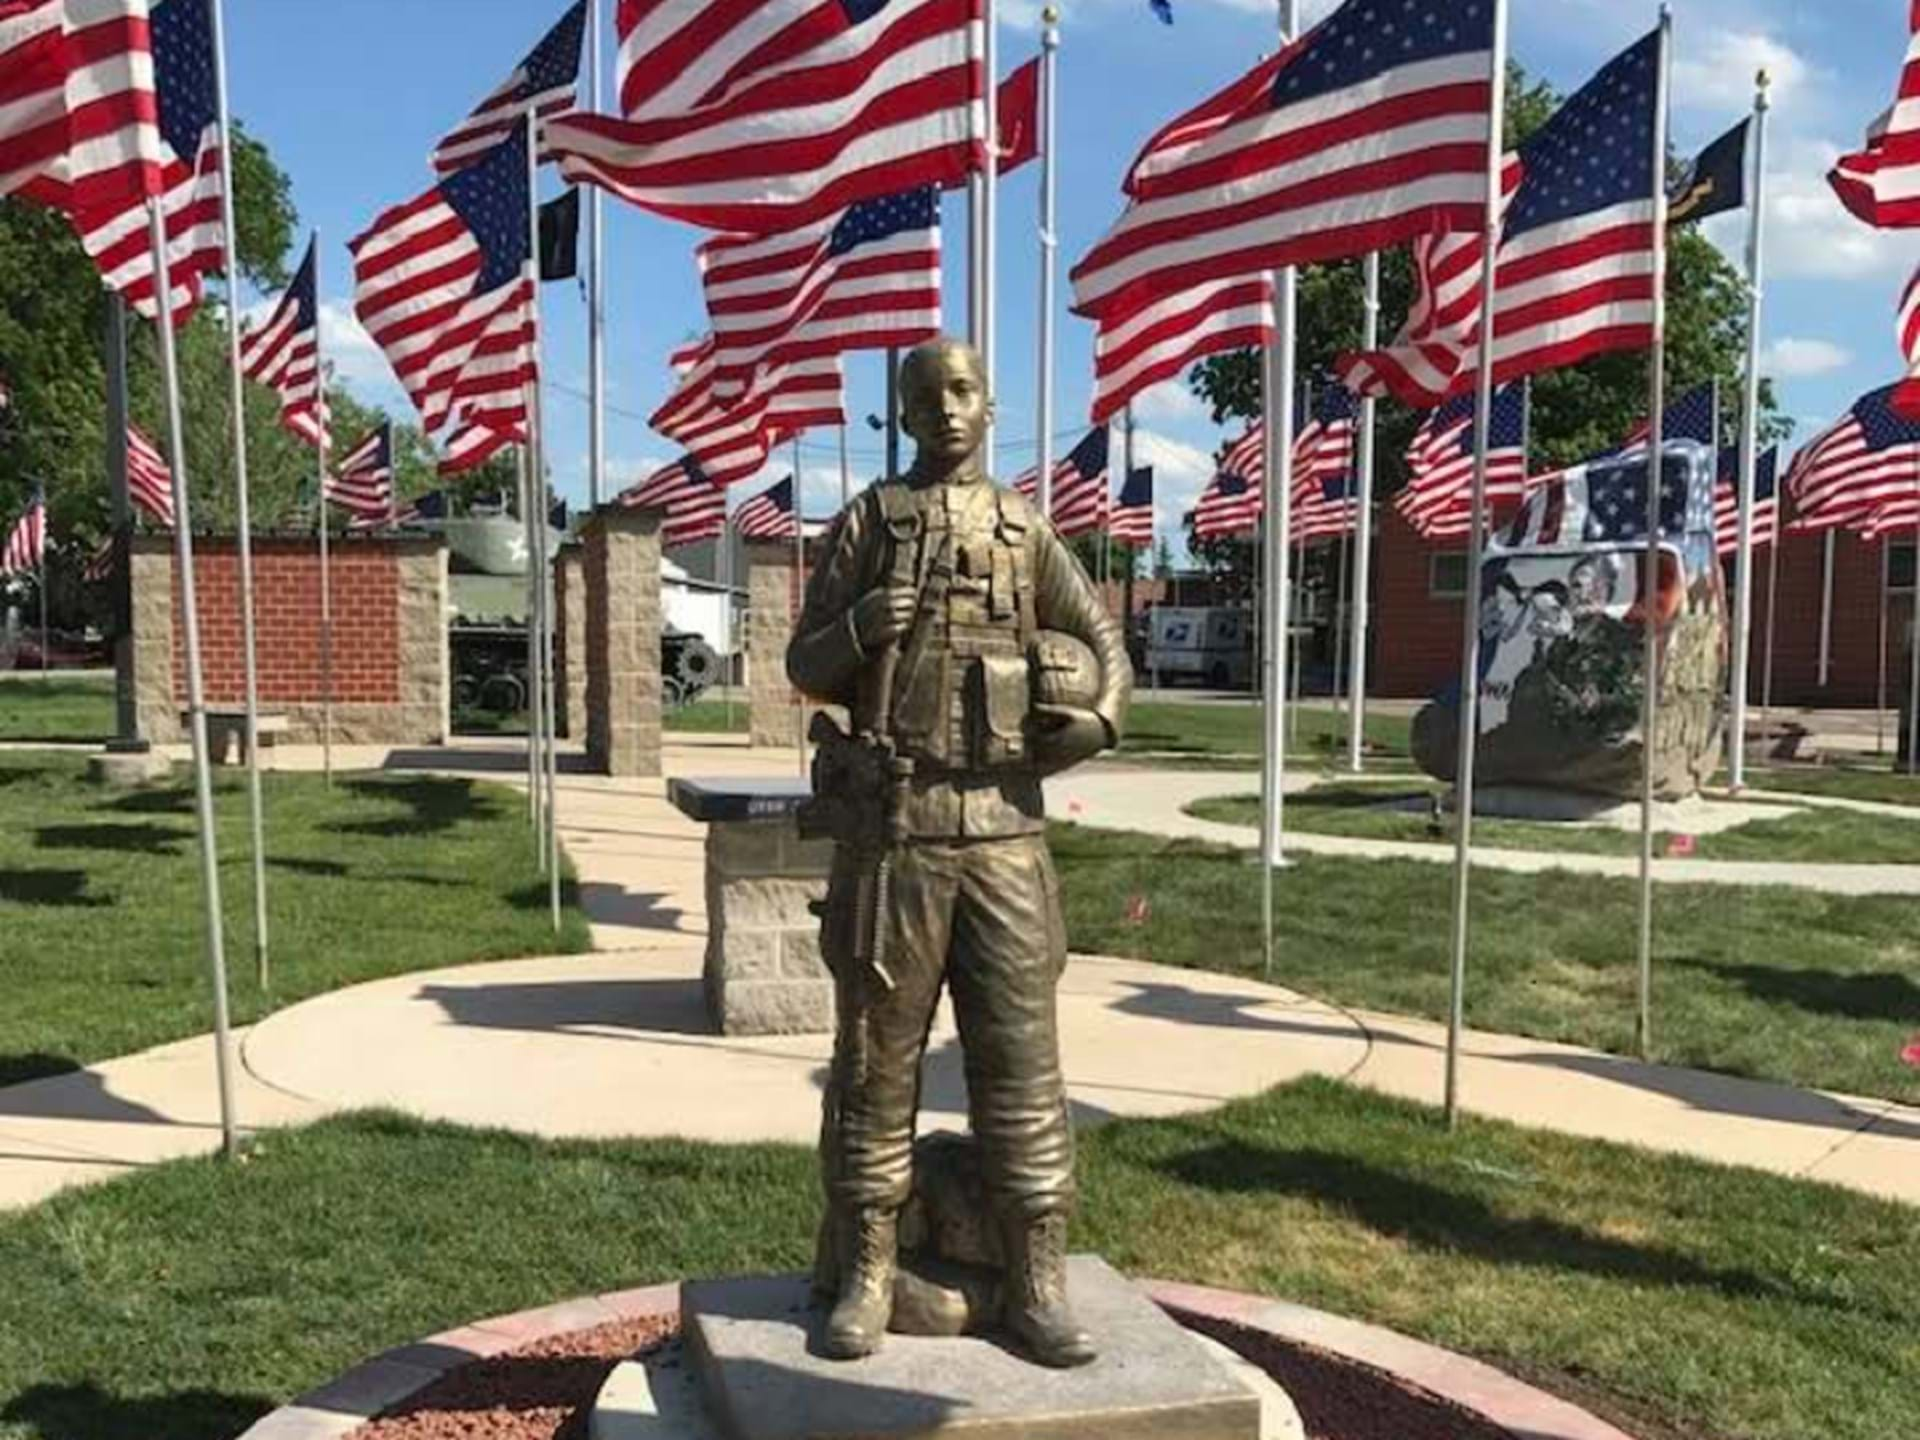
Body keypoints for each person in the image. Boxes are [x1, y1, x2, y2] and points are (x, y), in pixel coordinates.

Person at [787, 337, 1130, 1367]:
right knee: (874, 1068)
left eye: (964, 390)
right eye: (926, 395)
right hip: (897, 839)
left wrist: (1099, 721)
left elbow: (1105, 648)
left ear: (991, 405)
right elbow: (803, 660)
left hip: (1006, 841)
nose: (947, 409)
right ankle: (867, 1272)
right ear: (903, 415)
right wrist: (858, 623)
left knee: (1022, 1067)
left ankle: (1036, 1282)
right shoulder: (869, 522)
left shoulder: (1026, 531)